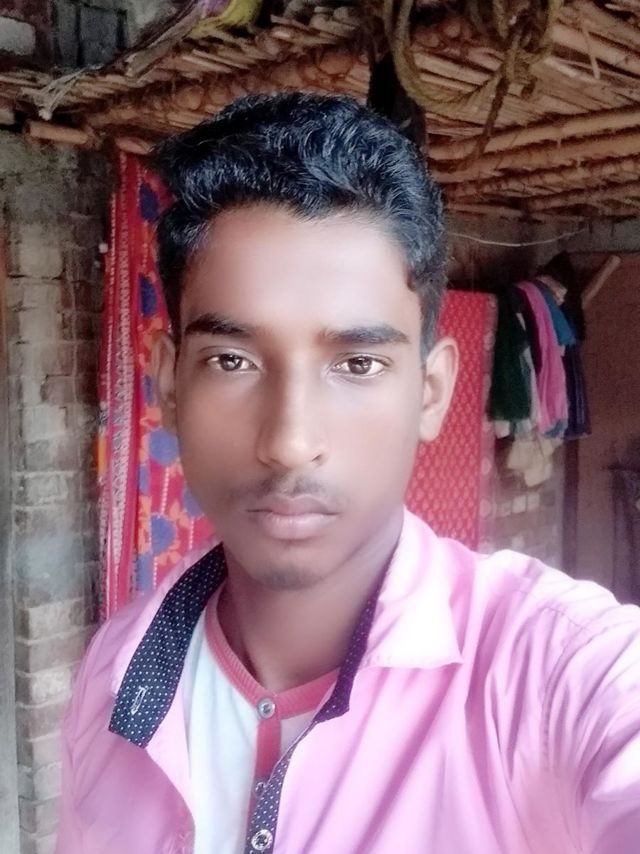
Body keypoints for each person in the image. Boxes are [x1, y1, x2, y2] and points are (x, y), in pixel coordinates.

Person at [56, 93, 640, 854]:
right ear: (169, 383)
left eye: (358, 364)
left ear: (431, 392)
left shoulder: (560, 675)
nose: (290, 442)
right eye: (231, 360)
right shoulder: (114, 672)